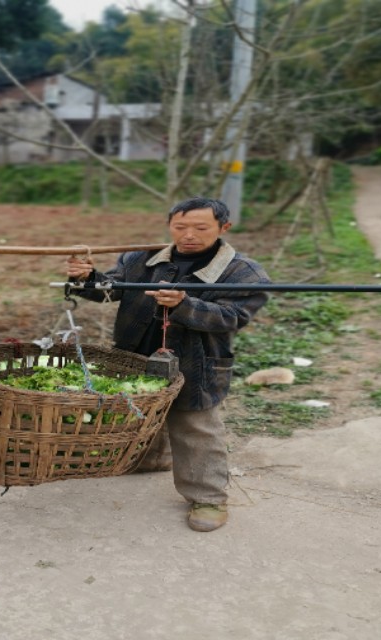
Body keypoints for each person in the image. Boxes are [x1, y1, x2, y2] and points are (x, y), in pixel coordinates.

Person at [66, 197, 270, 532]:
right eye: (180, 227)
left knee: (195, 426)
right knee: (138, 411)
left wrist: (184, 305)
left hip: (197, 360)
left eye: (201, 228)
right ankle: (150, 460)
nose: (189, 234)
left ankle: (208, 497)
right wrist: (88, 278)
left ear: (224, 228)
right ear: (169, 225)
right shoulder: (142, 258)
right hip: (137, 353)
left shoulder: (242, 273)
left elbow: (233, 317)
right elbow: (112, 289)